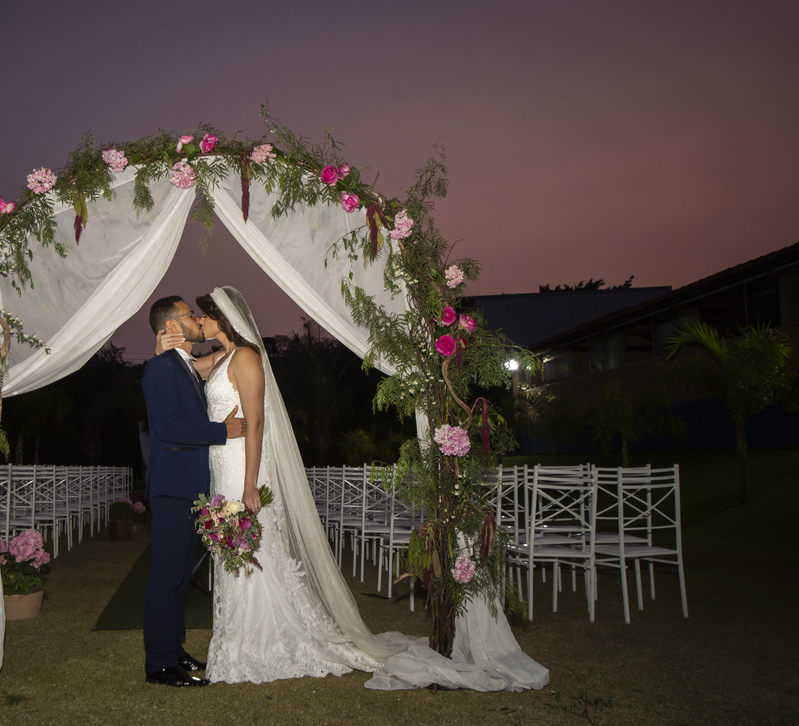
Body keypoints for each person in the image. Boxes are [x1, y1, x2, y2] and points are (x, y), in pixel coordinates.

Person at [159, 287, 549, 691]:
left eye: (203, 316)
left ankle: (260, 638)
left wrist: (250, 484)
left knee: (253, 550)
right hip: (221, 465)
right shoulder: (219, 357)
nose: (199, 323)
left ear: (221, 317)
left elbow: (257, 423)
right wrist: (162, 345)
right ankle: (237, 633)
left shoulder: (247, 357)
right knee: (230, 550)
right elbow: (185, 365)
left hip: (244, 466)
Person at [141, 296, 245, 688]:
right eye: (190, 315)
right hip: (172, 488)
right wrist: (222, 431)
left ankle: (174, 649)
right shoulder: (160, 369)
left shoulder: (185, 367)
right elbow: (167, 428)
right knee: (165, 577)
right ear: (170, 326)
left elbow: (229, 354)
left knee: (181, 577)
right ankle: (159, 664)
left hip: (191, 488)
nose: (197, 320)